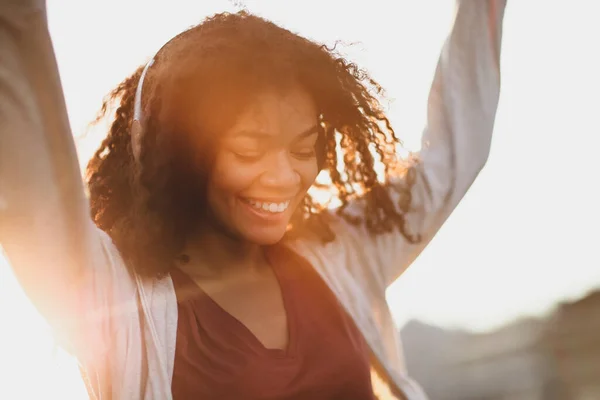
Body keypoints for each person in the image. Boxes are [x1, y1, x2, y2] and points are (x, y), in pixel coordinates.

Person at [0, 0, 506, 399]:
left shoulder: (340, 255)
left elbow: (452, 158)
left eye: (304, 147)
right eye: (249, 149)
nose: (284, 176)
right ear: (179, 151)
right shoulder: (114, 301)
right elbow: (33, 191)